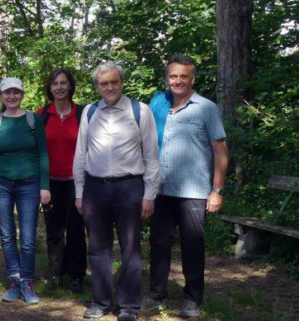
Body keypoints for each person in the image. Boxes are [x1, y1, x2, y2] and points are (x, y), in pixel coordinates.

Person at [143, 55, 228, 318]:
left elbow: (220, 151)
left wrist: (217, 191)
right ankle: (156, 295)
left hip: (193, 191)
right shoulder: (158, 106)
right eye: (173, 76)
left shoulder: (206, 108)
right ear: (167, 78)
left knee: (193, 246)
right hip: (161, 189)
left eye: (183, 76)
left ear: (192, 78)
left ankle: (192, 298)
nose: (177, 81)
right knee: (158, 244)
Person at [74, 61, 159, 321]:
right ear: (97, 86)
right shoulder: (90, 112)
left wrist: (149, 194)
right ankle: (100, 302)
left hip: (130, 188)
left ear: (122, 82)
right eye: (103, 83)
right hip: (95, 188)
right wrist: (79, 192)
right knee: (98, 248)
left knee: (130, 249)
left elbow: (152, 156)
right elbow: (80, 154)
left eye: (114, 82)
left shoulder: (140, 111)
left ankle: (128, 307)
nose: (109, 87)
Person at [0, 77, 50, 304]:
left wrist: (44, 186)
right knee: (8, 235)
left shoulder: (34, 119)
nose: (12, 96)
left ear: (22, 94)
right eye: (7, 92)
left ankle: (28, 282)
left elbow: (42, 153)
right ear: (1, 95)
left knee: (28, 237)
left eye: (16, 92)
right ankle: (14, 280)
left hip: (29, 184)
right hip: (1, 184)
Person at [38, 68, 87, 293]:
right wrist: (41, 184)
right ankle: (56, 274)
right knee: (54, 230)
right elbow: (36, 151)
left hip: (77, 183)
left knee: (76, 230)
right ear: (49, 88)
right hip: (50, 183)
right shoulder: (41, 115)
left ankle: (77, 276)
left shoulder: (83, 113)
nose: (59, 87)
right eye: (55, 83)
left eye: (63, 83)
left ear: (70, 86)